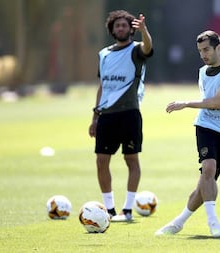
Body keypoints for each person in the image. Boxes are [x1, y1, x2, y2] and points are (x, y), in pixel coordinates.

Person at [155, 30, 220, 237]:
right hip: (206, 125)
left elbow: (216, 102)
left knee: (206, 182)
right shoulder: (203, 71)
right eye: (199, 51)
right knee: (208, 169)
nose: (203, 54)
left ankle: (179, 222)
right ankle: (213, 223)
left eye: (206, 49)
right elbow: (209, 104)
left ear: (219, 46)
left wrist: (186, 103)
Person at [88, 10, 153, 222]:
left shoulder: (136, 51)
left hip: (129, 113)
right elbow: (102, 86)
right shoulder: (104, 54)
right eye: (117, 26)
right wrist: (95, 116)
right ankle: (109, 210)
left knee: (131, 159)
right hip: (106, 116)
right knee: (101, 161)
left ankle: (127, 210)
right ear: (112, 30)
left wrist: (144, 31)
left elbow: (148, 48)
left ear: (130, 29)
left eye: (125, 25)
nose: (121, 28)